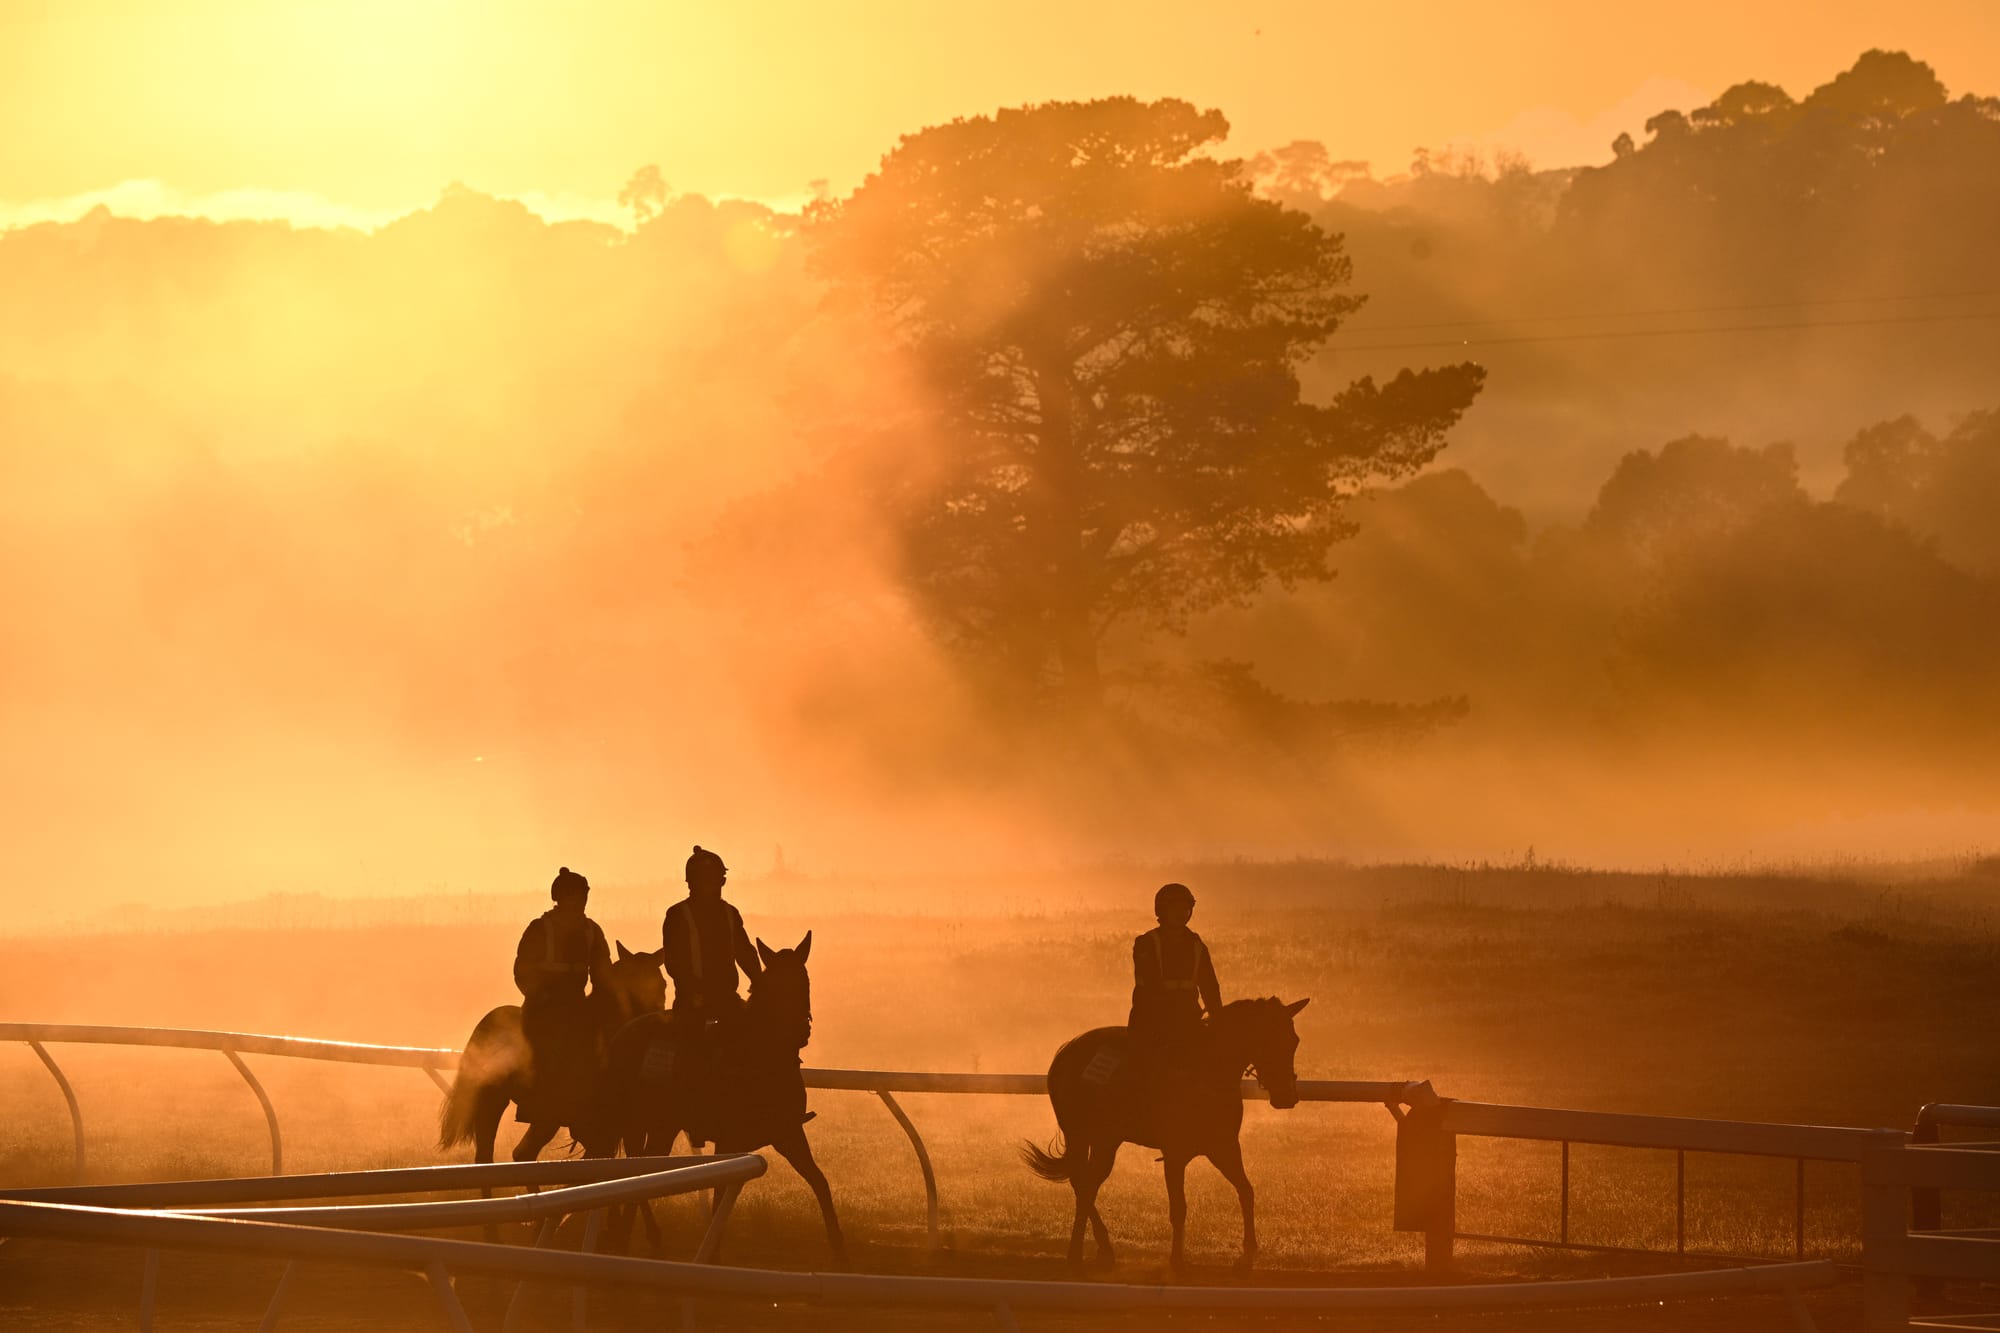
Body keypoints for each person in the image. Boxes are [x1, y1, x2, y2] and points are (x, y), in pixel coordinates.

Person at [512, 866, 612, 1122]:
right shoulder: (540, 928)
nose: (578, 902)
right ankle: (533, 1098)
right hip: (542, 1006)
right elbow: (522, 969)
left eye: (582, 897)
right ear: (559, 898)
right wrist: (539, 996)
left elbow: (603, 972)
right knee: (543, 1049)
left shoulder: (592, 931)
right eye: (572, 897)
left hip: (578, 1004)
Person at [1128, 882, 1223, 1084]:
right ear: (1162, 910)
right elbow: (1151, 986)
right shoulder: (1145, 943)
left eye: (1185, 909)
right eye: (1175, 908)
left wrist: (1218, 1020)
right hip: (1150, 1019)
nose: (1181, 913)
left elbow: (1210, 987)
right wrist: (1172, 1019)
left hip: (1188, 1019)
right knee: (1139, 1069)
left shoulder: (1198, 945)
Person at [661, 845, 761, 1018]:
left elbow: (745, 953)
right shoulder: (678, 915)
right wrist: (696, 990)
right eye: (707, 879)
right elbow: (674, 962)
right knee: (691, 1042)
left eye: (716, 879)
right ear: (692, 882)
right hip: (691, 1006)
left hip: (728, 1002)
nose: (714, 885)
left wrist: (759, 982)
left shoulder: (730, 913)